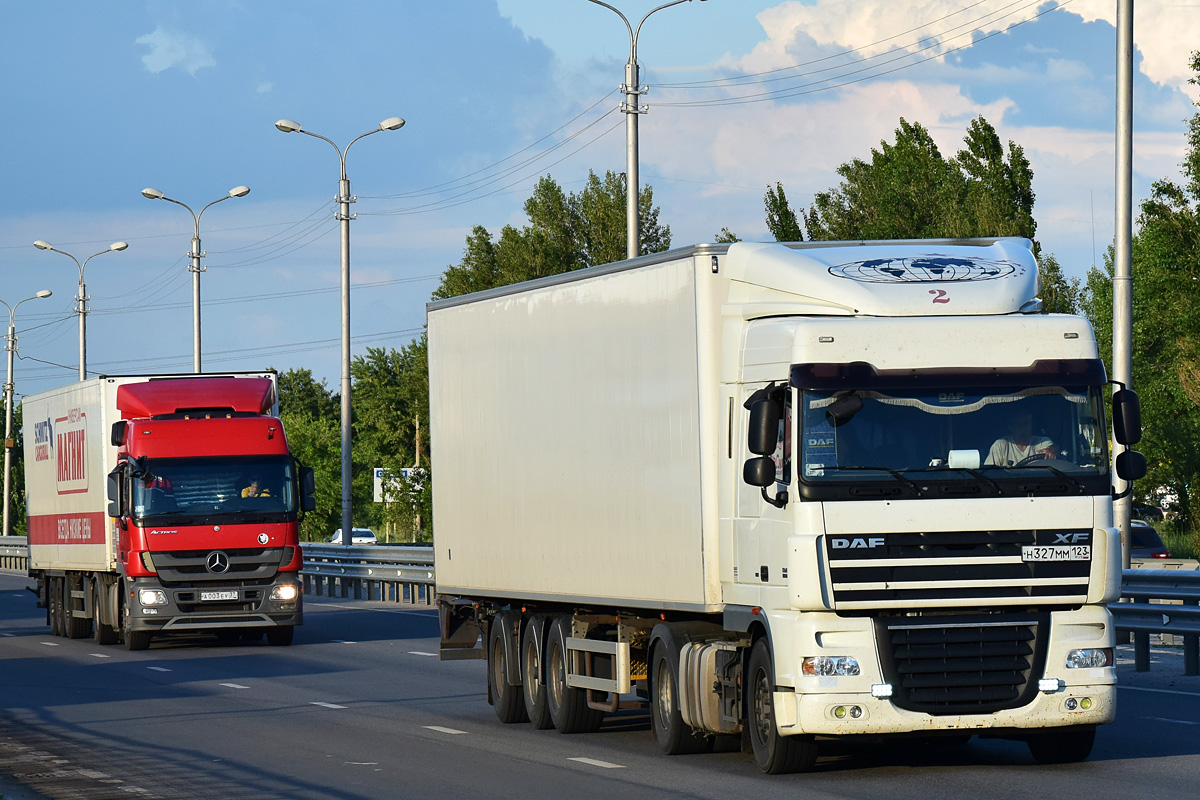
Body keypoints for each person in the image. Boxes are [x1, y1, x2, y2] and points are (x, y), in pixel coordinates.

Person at [985, 408, 1058, 466]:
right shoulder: (1000, 445)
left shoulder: (1042, 442)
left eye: (1026, 424)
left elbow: (1054, 448)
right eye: (1018, 425)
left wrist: (1053, 450)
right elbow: (989, 472)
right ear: (1011, 427)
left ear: (1031, 425)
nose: (1023, 428)